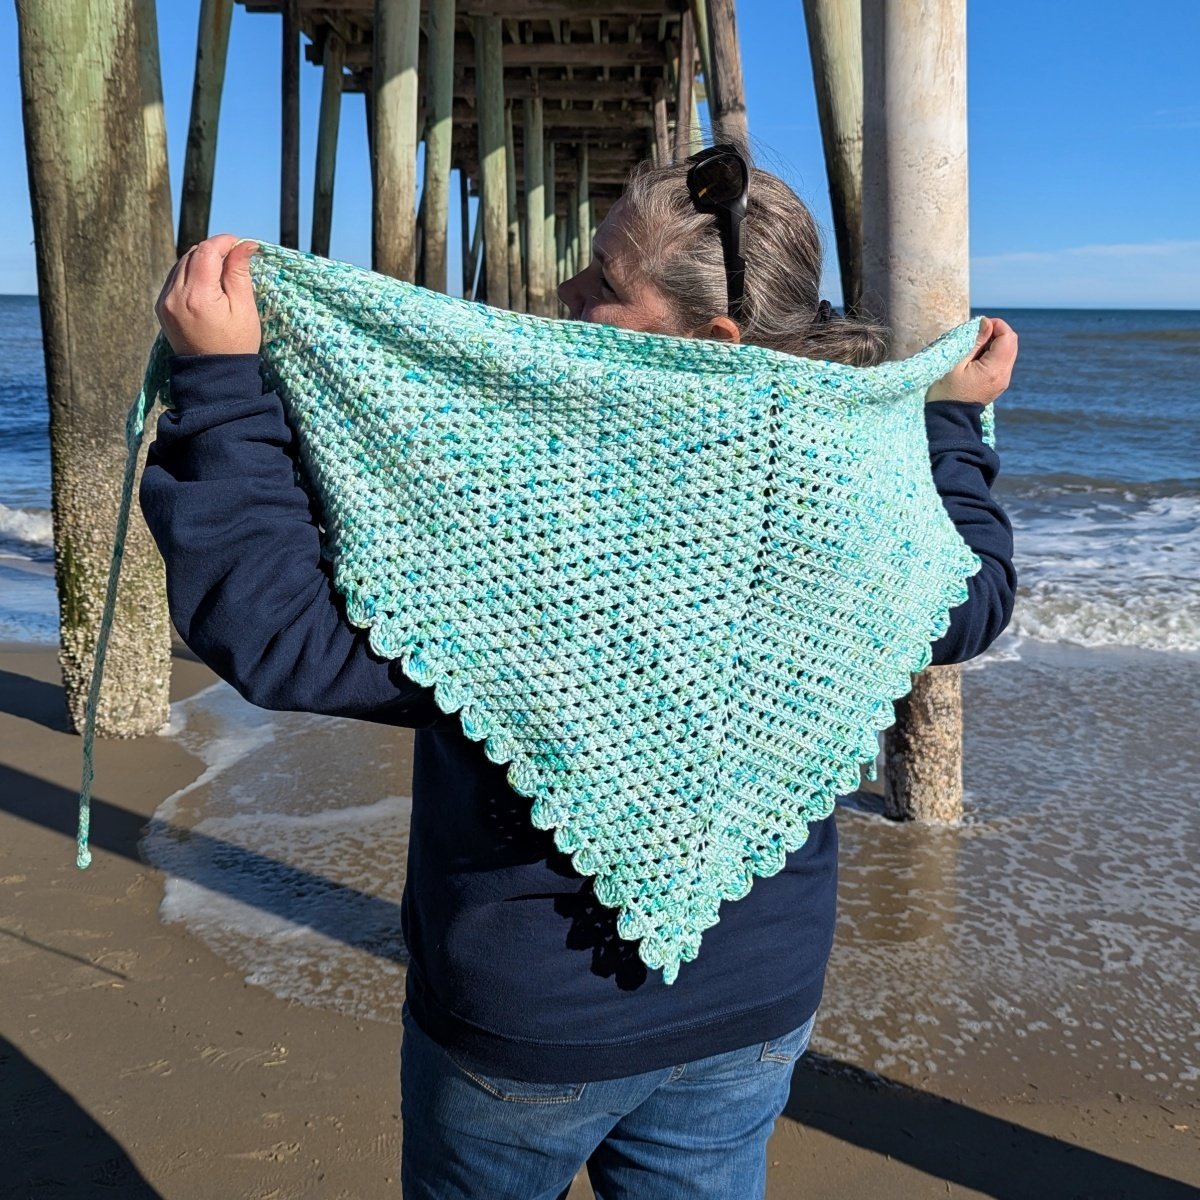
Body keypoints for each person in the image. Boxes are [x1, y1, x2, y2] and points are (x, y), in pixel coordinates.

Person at [143, 146, 1017, 1200]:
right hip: (758, 1003)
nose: (564, 290)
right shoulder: (852, 492)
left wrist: (223, 389)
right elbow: (972, 597)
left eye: (604, 280)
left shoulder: (535, 518)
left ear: (713, 340)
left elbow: (281, 633)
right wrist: (949, 425)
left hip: (528, 1027)